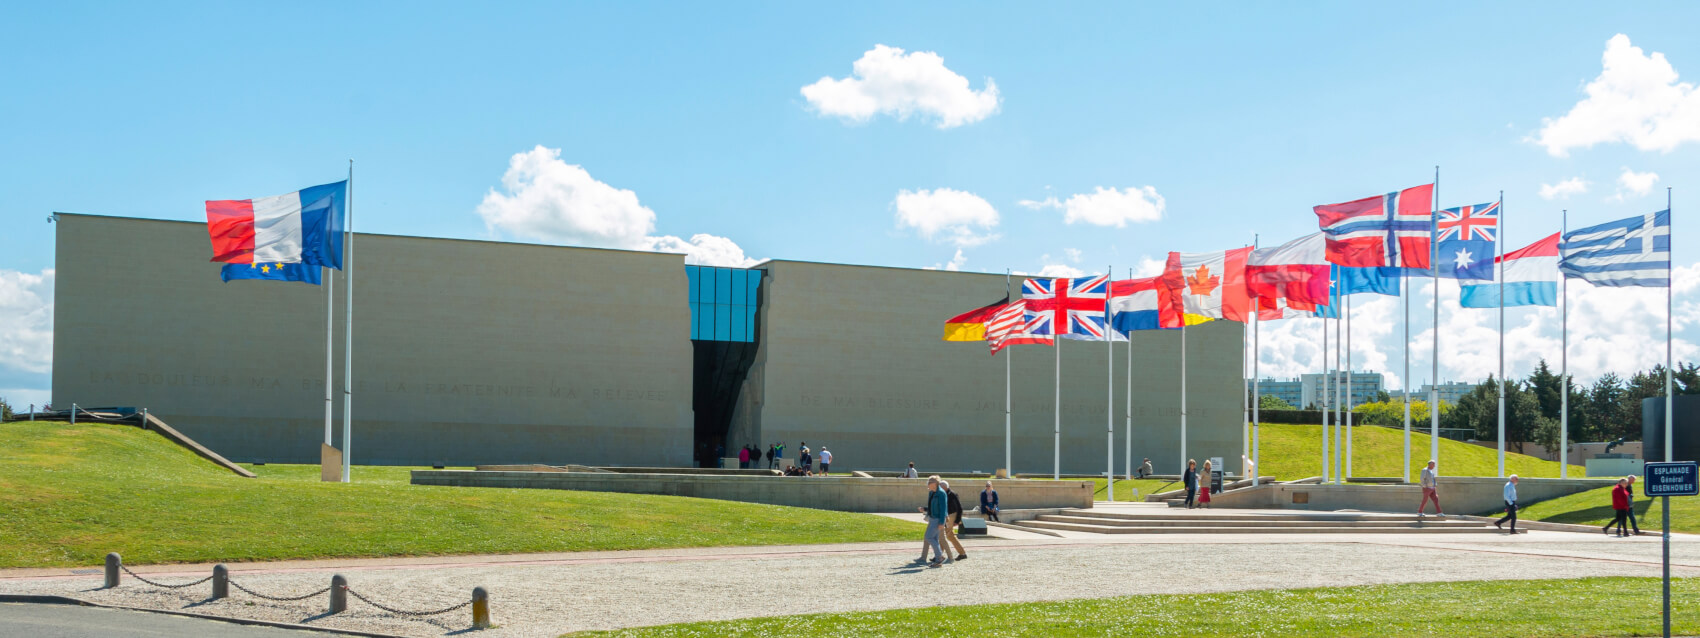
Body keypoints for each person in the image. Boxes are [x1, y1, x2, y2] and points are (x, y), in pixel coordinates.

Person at [916, 476, 948, 567]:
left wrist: (942, 522)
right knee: (934, 538)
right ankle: (938, 559)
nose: (927, 485)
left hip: (938, 519)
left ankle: (939, 557)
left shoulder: (941, 493)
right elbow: (931, 506)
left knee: (928, 537)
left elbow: (943, 509)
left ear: (934, 484)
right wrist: (925, 509)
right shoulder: (931, 493)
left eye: (929, 483)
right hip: (932, 518)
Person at [940, 480, 967, 561]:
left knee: (945, 535)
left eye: (940, 487)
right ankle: (962, 553)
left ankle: (939, 555)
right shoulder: (942, 494)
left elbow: (959, 508)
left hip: (951, 516)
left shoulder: (952, 495)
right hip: (946, 516)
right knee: (946, 535)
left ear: (945, 488)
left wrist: (957, 520)